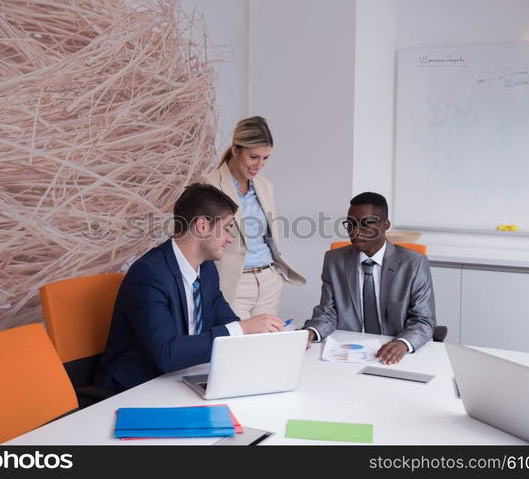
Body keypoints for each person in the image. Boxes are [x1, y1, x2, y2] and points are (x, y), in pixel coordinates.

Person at [95, 183, 285, 393]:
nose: (230, 239)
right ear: (202, 226)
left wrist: (271, 342)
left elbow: (227, 323)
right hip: (136, 388)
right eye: (227, 227)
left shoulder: (207, 270)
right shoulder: (148, 275)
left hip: (180, 378)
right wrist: (243, 328)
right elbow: (167, 354)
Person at [302, 192, 436, 365]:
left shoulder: (414, 264)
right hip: (347, 353)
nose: (356, 232)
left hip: (395, 354)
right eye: (350, 224)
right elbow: (327, 312)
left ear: (385, 225)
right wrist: (311, 331)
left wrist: (402, 343)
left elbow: (423, 321)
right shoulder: (334, 260)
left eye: (366, 224)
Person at [202, 116, 305, 319]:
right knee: (237, 347)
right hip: (233, 284)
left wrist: (275, 276)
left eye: (265, 158)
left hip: (268, 282)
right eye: (253, 157)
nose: (259, 165)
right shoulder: (209, 185)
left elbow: (267, 237)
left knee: (264, 348)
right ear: (235, 149)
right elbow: (201, 239)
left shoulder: (265, 186)